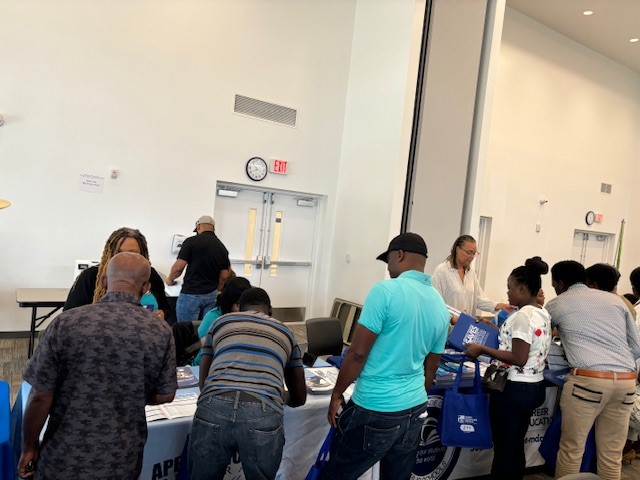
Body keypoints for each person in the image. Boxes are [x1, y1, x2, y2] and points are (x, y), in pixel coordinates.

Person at [18, 252, 177, 480]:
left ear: (103, 281)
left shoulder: (65, 323)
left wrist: (29, 446)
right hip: (122, 461)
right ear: (146, 287)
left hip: (63, 457)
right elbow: (165, 395)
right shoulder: (161, 332)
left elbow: (40, 396)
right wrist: (130, 391)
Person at [319, 233, 450, 480]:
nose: (388, 268)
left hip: (375, 406)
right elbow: (430, 371)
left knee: (337, 474)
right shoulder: (439, 305)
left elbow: (357, 354)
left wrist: (337, 393)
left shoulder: (385, 291)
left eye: (388, 260)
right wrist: (408, 396)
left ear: (399, 255)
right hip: (415, 408)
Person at [188, 287, 306, 480]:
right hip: (262, 410)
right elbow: (300, 397)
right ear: (271, 311)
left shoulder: (220, 323)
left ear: (239, 309)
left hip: (214, 405)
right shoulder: (286, 331)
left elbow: (204, 383)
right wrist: (280, 394)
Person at [545, 260, 640, 480]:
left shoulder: (557, 304)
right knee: (611, 455)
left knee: (572, 450)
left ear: (559, 283)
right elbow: (636, 348)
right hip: (626, 382)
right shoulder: (615, 301)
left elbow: (539, 342)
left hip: (588, 383)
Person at [465, 256, 552, 480]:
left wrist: (482, 349)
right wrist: (493, 327)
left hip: (514, 389)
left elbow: (518, 357)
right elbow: (521, 343)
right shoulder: (541, 312)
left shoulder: (522, 316)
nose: (507, 294)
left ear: (522, 289)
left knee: (504, 448)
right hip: (534, 387)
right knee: (515, 444)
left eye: (510, 288)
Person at [64, 227, 170, 320]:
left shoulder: (151, 275)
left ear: (142, 254)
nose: (125, 257)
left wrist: (162, 314)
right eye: (119, 253)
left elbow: (165, 307)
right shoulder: (91, 276)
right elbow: (69, 314)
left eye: (132, 253)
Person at [432, 235, 513, 323]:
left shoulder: (471, 273)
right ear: (458, 250)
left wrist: (499, 305)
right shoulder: (441, 271)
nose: (472, 257)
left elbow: (478, 299)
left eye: (474, 253)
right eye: (469, 253)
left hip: (466, 327)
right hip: (447, 328)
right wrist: (450, 318)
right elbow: (435, 304)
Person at [166, 215, 231, 321]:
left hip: (191, 294)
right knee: (204, 330)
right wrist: (217, 288)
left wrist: (170, 280)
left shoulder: (191, 242)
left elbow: (178, 267)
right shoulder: (222, 247)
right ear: (213, 229)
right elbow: (224, 275)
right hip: (211, 296)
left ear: (198, 226)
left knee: (185, 331)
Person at [192, 275, 251, 365]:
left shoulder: (247, 316)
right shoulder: (213, 316)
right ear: (230, 302)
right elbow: (207, 346)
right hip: (207, 365)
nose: (243, 308)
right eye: (239, 304)